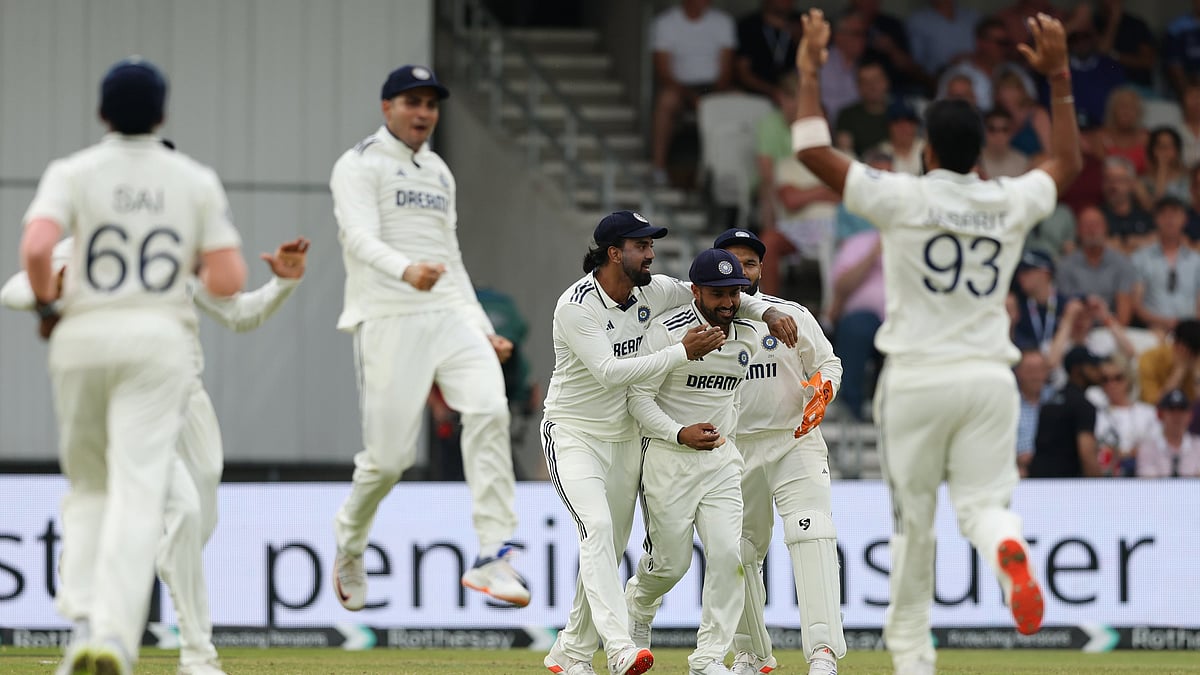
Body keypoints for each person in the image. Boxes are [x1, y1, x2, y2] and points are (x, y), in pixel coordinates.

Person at [789, 10, 1082, 674]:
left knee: (912, 525)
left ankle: (916, 659)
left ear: (926, 150)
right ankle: (1009, 553)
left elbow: (811, 150)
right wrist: (1059, 78)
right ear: (979, 154)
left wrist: (810, 70)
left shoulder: (903, 195)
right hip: (988, 378)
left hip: (918, 378)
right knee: (984, 507)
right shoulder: (1007, 201)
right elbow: (1067, 159)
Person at [20, 57, 248, 674]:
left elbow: (38, 247)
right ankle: (114, 636)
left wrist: (47, 304)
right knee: (139, 493)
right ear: (162, 114)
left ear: (101, 114)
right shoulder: (191, 179)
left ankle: (86, 624)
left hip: (82, 336)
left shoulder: (74, 172)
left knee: (90, 489)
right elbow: (228, 280)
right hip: (156, 342)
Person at [2, 234, 306, 675]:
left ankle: (139, 562)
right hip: (133, 402)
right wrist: (52, 287)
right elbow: (12, 290)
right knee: (181, 511)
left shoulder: (176, 246)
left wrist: (283, 285)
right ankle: (195, 654)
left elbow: (240, 314)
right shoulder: (88, 242)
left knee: (198, 521)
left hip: (190, 402)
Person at [540, 212, 797, 675]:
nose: (652, 254)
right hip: (574, 430)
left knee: (607, 540)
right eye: (642, 246)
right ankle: (620, 648)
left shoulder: (652, 290)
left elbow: (721, 291)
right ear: (615, 252)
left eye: (652, 245)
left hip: (624, 438)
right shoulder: (576, 306)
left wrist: (770, 310)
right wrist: (682, 352)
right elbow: (609, 374)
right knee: (597, 530)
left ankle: (572, 654)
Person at [328, 65, 528, 612]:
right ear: (386, 107)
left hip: (447, 313)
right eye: (412, 102)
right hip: (389, 314)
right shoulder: (358, 163)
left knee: (489, 410)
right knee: (388, 461)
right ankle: (349, 540)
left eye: (431, 105)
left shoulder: (438, 170)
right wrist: (404, 269)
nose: (423, 114)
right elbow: (358, 235)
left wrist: (483, 328)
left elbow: (453, 259)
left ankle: (494, 552)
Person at [713, 228, 845, 675]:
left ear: (760, 269)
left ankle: (823, 654)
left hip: (794, 440)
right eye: (732, 262)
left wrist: (823, 391)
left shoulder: (791, 314)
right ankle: (751, 655)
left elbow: (828, 362)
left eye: (750, 264)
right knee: (736, 550)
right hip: (733, 448)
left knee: (812, 534)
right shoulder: (700, 325)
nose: (742, 271)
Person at [623, 248, 760, 675]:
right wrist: (678, 433)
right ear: (695, 290)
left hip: (720, 463)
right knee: (671, 566)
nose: (728, 303)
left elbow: (729, 396)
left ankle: (707, 658)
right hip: (668, 459)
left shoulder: (749, 335)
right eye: (718, 293)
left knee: (727, 555)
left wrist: (725, 438)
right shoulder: (666, 332)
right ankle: (639, 606)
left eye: (735, 293)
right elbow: (638, 399)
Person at [650, 0, 736, 186]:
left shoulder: (722, 22)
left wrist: (709, 96)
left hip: (715, 88)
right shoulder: (665, 23)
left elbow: (727, 70)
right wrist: (690, 96)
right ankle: (658, 168)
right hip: (680, 88)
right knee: (666, 101)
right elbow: (663, 71)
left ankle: (726, 173)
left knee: (740, 102)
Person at [1137, 389, 1200, 477]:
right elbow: (1148, 483)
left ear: (1190, 415)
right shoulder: (1148, 448)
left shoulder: (1198, 446)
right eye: (1171, 410)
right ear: (1160, 414)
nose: (1177, 416)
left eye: (1182, 410)